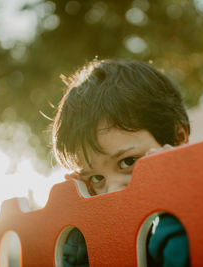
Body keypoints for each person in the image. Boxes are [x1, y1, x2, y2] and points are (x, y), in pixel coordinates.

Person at [52, 59, 190, 266]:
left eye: (128, 162)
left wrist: (175, 209)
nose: (111, 190)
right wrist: (79, 233)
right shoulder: (107, 235)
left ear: (178, 139)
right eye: (97, 178)